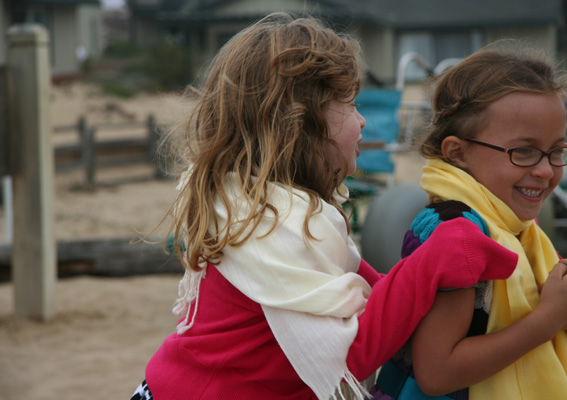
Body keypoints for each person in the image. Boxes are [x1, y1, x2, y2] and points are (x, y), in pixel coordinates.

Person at [129, 14, 522, 400]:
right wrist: (438, 256)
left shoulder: (249, 204)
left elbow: (371, 289)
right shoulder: (271, 225)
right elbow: (350, 355)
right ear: (300, 123)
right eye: (350, 105)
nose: (363, 122)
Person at [370, 47, 567, 399]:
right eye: (523, 151)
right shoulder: (459, 237)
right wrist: (551, 317)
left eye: (556, 151)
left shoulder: (519, 230)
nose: (546, 170)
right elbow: (437, 372)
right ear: (457, 152)